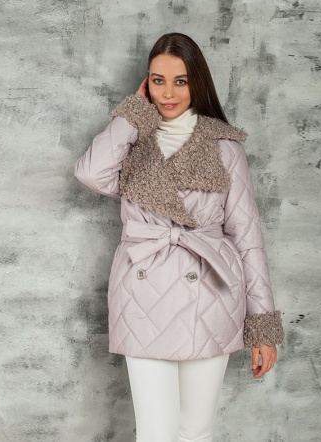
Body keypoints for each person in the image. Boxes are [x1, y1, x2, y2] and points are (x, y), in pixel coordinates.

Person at [74, 33, 284, 442]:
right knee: (156, 433)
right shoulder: (133, 139)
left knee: (196, 430)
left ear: (197, 83)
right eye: (158, 80)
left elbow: (247, 237)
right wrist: (131, 114)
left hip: (210, 293)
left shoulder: (225, 147)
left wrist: (262, 325)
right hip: (142, 293)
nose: (168, 93)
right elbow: (90, 173)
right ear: (146, 84)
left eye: (180, 81)